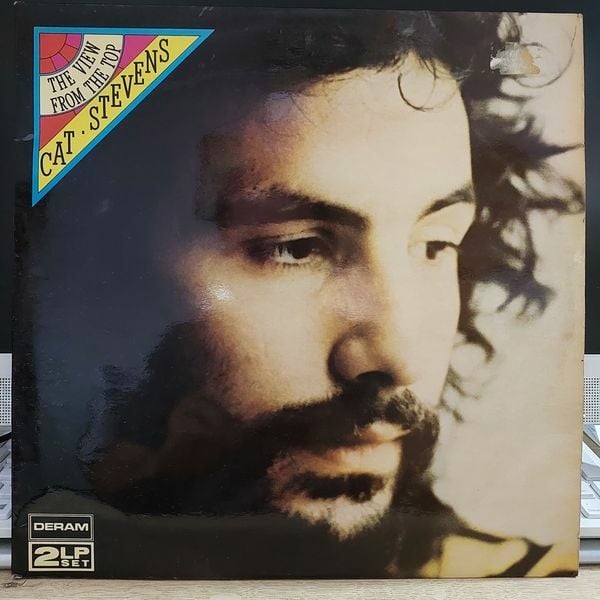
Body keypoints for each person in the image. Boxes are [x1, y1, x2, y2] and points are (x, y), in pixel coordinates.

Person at [14, 9, 582, 578]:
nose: (398, 357)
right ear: (100, 257)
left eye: (436, 244)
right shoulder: (46, 547)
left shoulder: (529, 580)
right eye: (296, 248)